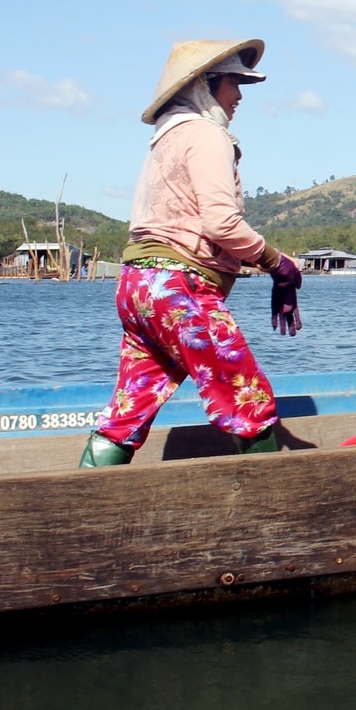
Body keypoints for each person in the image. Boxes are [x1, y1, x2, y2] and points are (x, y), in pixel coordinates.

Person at [79, 38, 304, 467]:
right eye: (234, 84)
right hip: (180, 287)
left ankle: (78, 507)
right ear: (207, 84)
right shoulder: (205, 134)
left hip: (138, 288)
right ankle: (280, 513)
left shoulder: (167, 138)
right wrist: (278, 263)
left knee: (128, 410)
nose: (239, 96)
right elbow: (220, 224)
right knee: (246, 399)